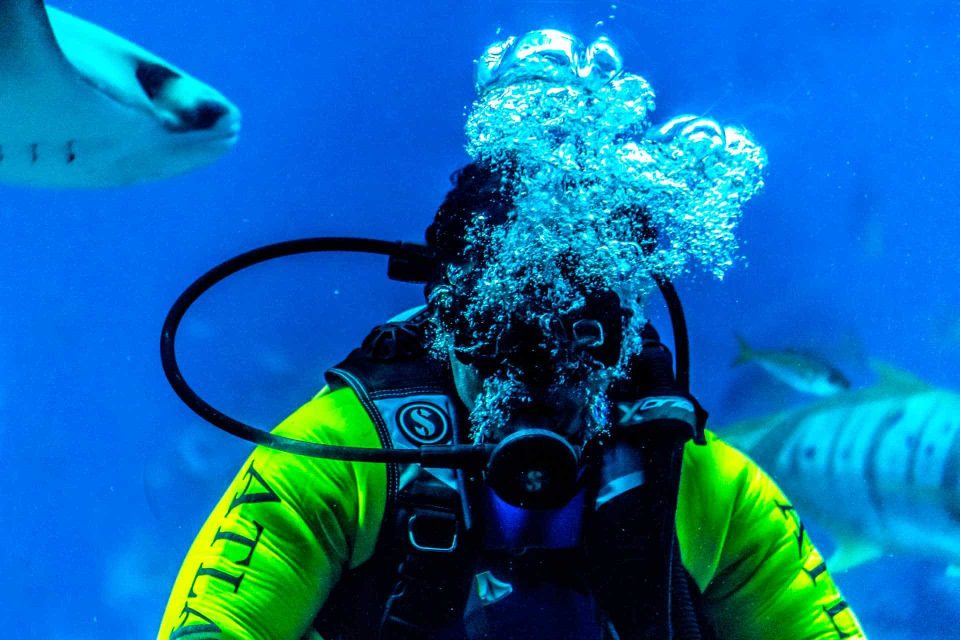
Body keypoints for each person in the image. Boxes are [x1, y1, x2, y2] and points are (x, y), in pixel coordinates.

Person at [156, 30, 866, 640]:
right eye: (498, 330)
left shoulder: (700, 488)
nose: (537, 376)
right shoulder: (347, 461)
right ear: (446, 323)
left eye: (581, 336)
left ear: (625, 338)